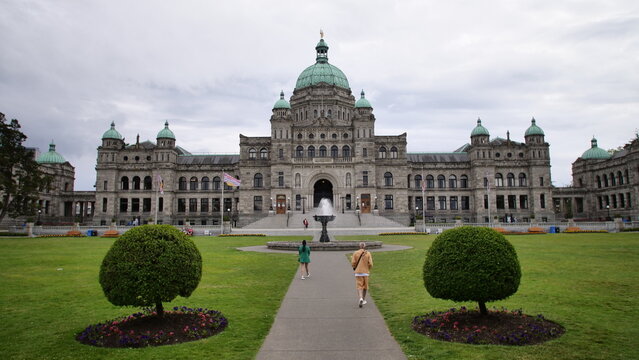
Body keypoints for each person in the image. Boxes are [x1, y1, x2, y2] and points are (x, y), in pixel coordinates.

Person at [351, 242, 373, 308]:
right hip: (365, 272)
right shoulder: (368, 253)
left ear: (359, 246)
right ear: (365, 246)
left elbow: (353, 263)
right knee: (365, 286)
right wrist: (368, 268)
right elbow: (371, 264)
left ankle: (360, 298)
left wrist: (355, 267)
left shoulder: (355, 253)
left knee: (359, 286)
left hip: (358, 272)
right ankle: (363, 299)